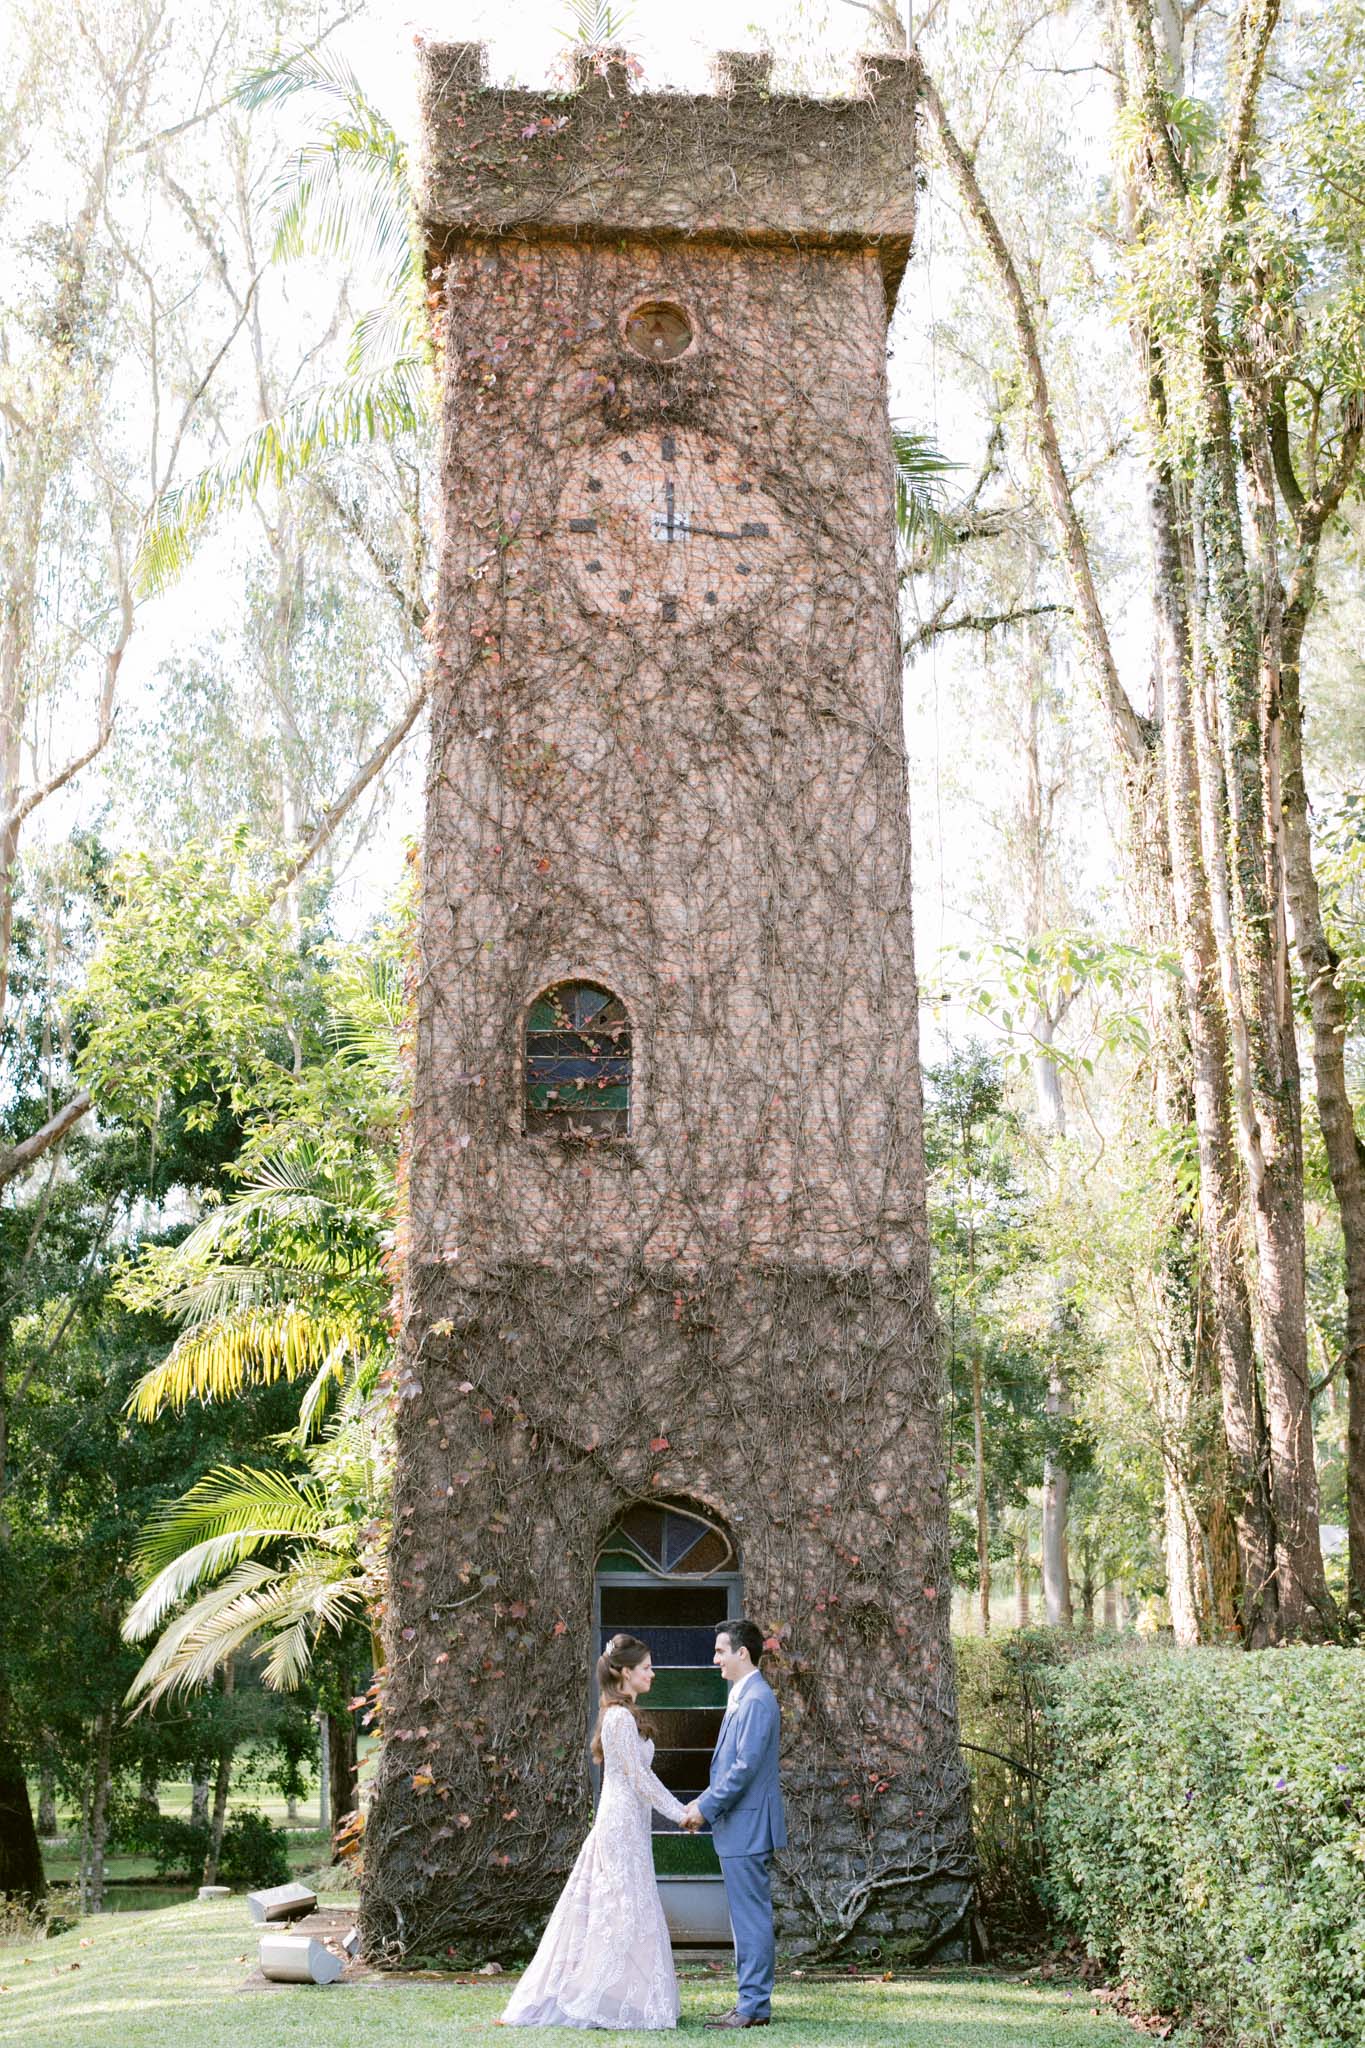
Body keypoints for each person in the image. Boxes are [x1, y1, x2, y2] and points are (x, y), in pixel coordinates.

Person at [501, 1632, 690, 2030]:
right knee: (619, 1908)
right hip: (619, 1822)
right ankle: (597, 1997)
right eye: (646, 1668)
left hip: (631, 1822)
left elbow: (641, 1777)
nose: (652, 1674)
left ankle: (624, 1998)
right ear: (624, 1673)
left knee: (627, 1908)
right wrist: (680, 1812)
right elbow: (639, 1778)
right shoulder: (619, 1718)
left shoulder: (625, 1715)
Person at [681, 1619, 786, 2031]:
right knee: (745, 1919)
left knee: (750, 1919)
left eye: (721, 1650)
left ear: (743, 1652)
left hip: (747, 1827)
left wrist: (704, 1807)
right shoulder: (744, 1696)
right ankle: (748, 2001)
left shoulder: (757, 1699)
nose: (715, 1659)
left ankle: (754, 2006)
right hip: (739, 1826)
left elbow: (743, 1769)